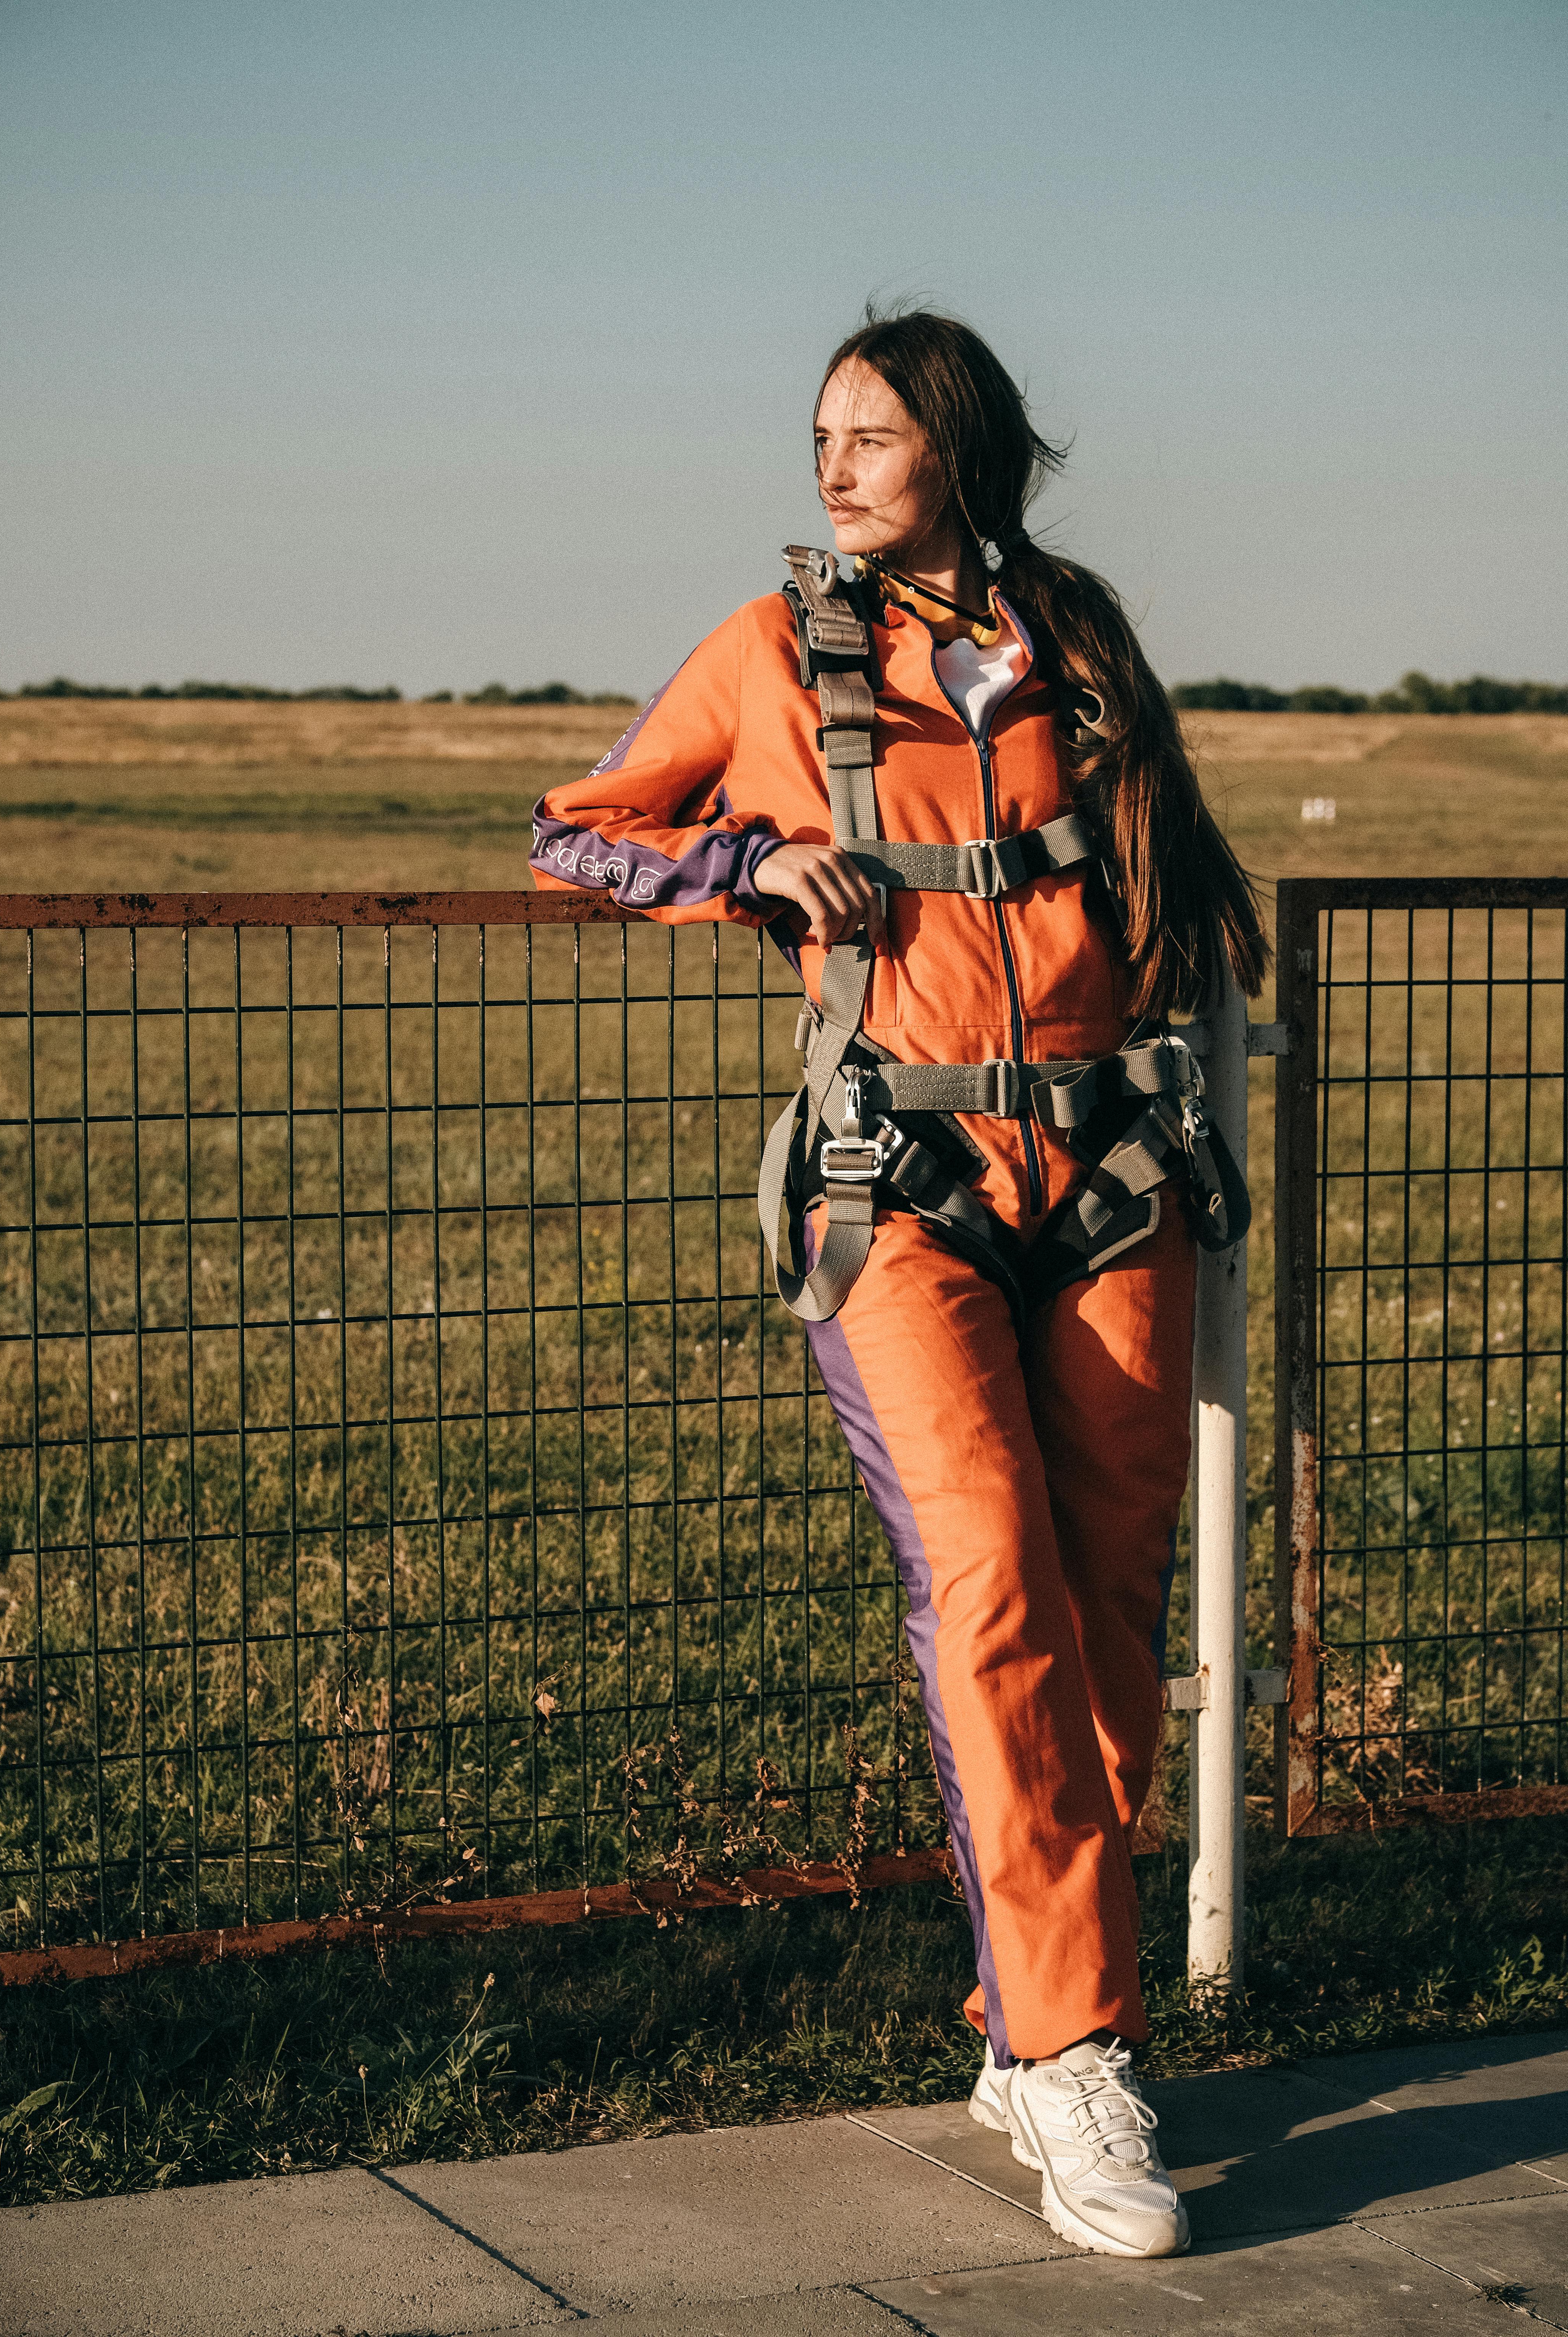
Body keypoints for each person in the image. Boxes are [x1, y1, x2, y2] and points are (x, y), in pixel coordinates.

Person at [529, 309, 1266, 2260]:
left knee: (1111, 1610)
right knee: (992, 1577)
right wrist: (749, 863)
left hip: (1110, 1173)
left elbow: (1157, 870)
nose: (832, 465)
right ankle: (1077, 2047)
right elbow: (570, 831)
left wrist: (1191, 1072)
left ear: (962, 446)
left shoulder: (1074, 635)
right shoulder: (772, 652)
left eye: (870, 435)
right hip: (901, 1185)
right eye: (818, 434)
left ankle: (1028, 2017)